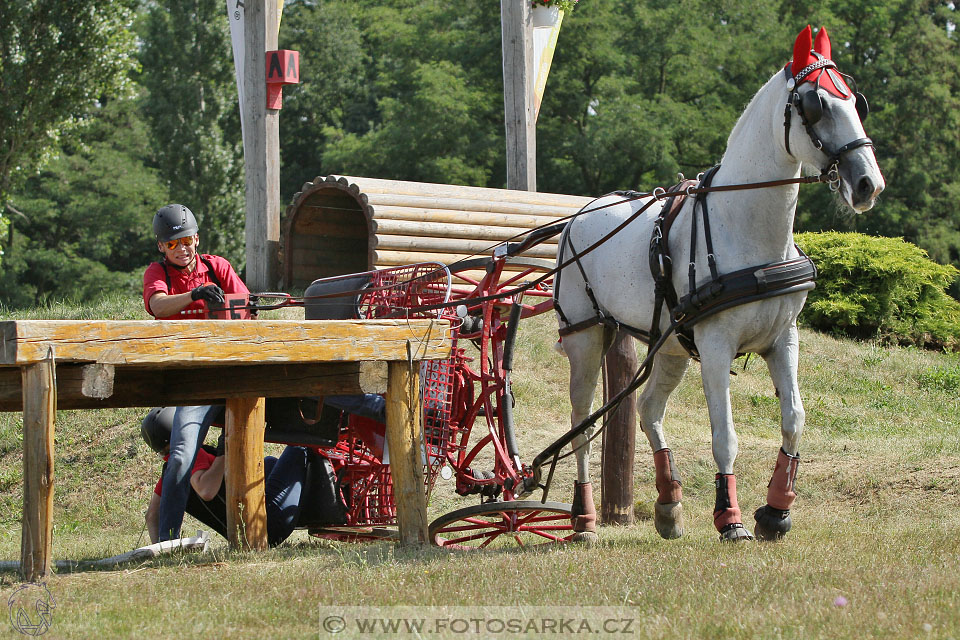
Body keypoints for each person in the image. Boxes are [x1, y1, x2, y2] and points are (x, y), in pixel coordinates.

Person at [142, 204, 250, 542]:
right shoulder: (156, 273)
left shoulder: (218, 267)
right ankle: (167, 544)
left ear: (197, 239)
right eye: (173, 244)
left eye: (187, 240)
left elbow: (246, 308)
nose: (182, 248)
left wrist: (226, 310)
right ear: (161, 246)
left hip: (235, 374)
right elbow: (158, 306)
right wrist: (195, 296)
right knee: (180, 457)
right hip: (195, 385)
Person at [142, 407, 322, 547]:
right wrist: (223, 453)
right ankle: (322, 508)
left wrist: (161, 547)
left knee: (269, 463)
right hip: (268, 527)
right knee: (300, 445)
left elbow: (152, 515)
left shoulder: (171, 476)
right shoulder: (191, 457)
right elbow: (206, 490)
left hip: (246, 532)